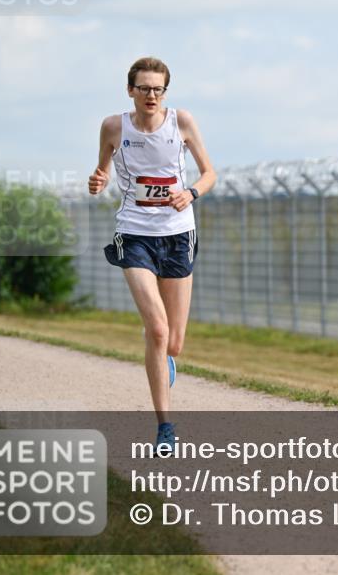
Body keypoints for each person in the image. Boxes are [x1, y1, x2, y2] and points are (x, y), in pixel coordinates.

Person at [87, 57, 216, 453]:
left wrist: (190, 192)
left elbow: (210, 173)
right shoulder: (114, 127)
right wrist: (98, 179)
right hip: (135, 233)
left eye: (158, 89)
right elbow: (102, 170)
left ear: (165, 92)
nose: (151, 95)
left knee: (172, 342)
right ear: (131, 90)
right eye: (143, 88)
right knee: (157, 330)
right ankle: (165, 427)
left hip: (178, 234)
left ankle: (161, 355)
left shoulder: (182, 122)